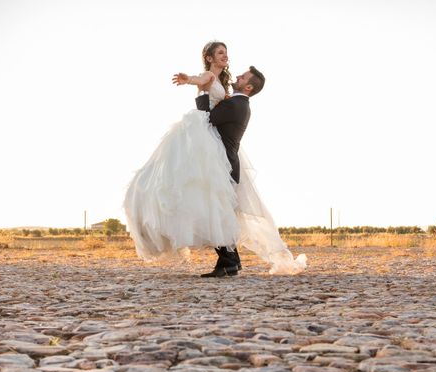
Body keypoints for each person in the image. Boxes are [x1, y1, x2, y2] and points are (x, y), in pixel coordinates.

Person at [124, 41, 306, 276]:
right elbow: (202, 81)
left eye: (226, 53)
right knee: (211, 205)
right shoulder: (219, 84)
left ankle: (229, 261)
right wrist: (190, 80)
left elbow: (210, 114)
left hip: (215, 151)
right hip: (210, 147)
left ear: (248, 87)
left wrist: (196, 88)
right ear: (209, 58)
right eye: (221, 53)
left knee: (211, 205)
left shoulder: (236, 101)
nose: (230, 62)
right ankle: (230, 261)